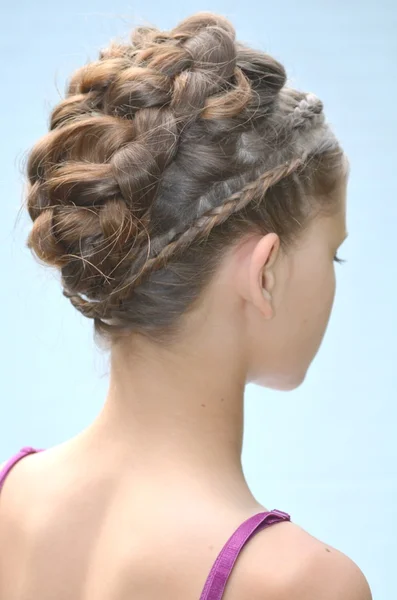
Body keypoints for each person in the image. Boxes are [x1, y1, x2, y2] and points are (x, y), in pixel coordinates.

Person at [0, 11, 372, 600]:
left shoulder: (10, 498)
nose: (333, 280)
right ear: (265, 272)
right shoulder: (300, 583)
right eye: (334, 255)